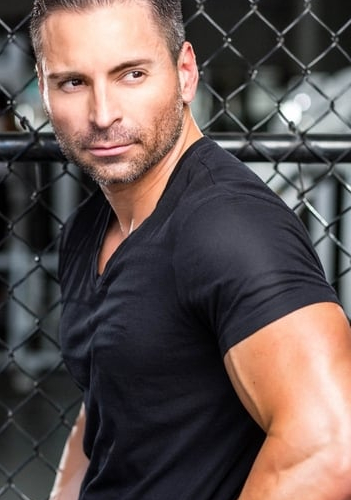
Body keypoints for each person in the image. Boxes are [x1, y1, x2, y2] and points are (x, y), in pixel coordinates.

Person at [29, 1, 351, 499]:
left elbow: (330, 451)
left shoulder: (231, 227)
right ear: (44, 88)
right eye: (73, 82)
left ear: (184, 73)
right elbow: (106, 408)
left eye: (131, 74)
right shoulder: (88, 228)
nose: (103, 114)